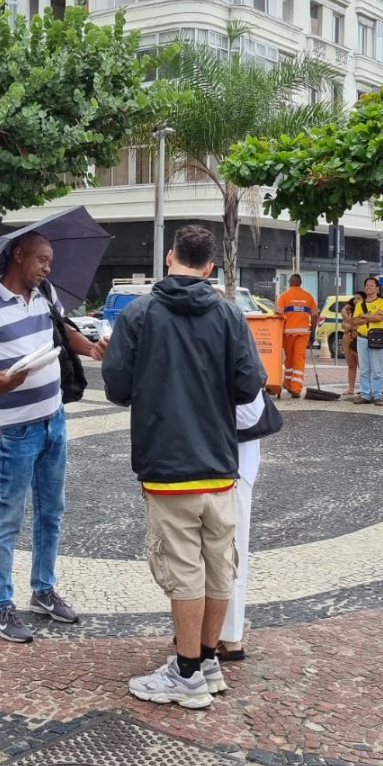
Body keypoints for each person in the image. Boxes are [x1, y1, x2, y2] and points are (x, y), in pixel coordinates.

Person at [103, 224, 266, 708]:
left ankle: (187, 673)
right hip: (220, 461)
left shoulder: (139, 314)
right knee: (219, 566)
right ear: (210, 266)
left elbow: (116, 387)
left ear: (171, 257)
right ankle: (208, 660)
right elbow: (247, 385)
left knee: (184, 571)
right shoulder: (230, 315)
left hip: (167, 463)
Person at [0, 233, 107, 643]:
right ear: (18, 255)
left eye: (50, 261)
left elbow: (64, 334)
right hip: (14, 429)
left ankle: (43, 589)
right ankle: (0, 606)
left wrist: (92, 348)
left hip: (53, 420)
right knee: (8, 516)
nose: (46, 267)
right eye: (41, 259)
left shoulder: (45, 294)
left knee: (51, 511)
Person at [219, 384, 283, 660]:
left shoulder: (234, 343)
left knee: (231, 551)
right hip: (205, 461)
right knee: (194, 554)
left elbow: (250, 413)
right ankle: (196, 627)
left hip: (232, 464)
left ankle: (229, 636)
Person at [273, 274, 318, 399]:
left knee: (289, 359)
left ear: (290, 282)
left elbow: (278, 316)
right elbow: (314, 316)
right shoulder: (308, 296)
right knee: (299, 359)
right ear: (301, 283)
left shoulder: (284, 296)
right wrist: (312, 333)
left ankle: (288, 383)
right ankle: (296, 388)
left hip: (287, 334)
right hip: (303, 334)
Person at [351, 276, 383, 404]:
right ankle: (365, 394)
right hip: (362, 338)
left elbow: (380, 318)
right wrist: (370, 317)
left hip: (376, 337)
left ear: (377, 288)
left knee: (377, 369)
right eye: (367, 285)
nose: (368, 287)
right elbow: (354, 321)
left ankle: (378, 395)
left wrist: (363, 316)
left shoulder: (382, 302)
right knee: (364, 368)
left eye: (371, 285)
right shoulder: (360, 304)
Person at [339, 295, 360, 395]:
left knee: (362, 365)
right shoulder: (349, 312)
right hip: (347, 338)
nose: (356, 301)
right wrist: (346, 326)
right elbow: (343, 324)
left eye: (358, 298)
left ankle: (366, 388)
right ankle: (351, 388)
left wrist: (351, 327)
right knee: (351, 365)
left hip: (357, 338)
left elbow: (357, 325)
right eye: (355, 299)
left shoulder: (362, 312)